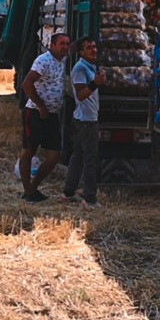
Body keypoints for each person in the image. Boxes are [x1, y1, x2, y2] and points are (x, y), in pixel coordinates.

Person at [19, 33, 71, 202]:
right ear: (52, 45)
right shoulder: (43, 60)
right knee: (28, 152)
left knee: (54, 157)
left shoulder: (63, 59)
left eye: (67, 44)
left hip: (52, 115)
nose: (65, 47)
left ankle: (32, 189)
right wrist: (40, 106)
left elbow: (76, 47)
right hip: (35, 113)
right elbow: (27, 83)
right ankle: (28, 190)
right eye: (61, 44)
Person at [61, 36, 106, 208]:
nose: (93, 50)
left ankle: (69, 192)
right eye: (89, 48)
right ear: (81, 52)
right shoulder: (79, 69)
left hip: (83, 118)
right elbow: (80, 95)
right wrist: (95, 83)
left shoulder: (90, 67)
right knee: (89, 160)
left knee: (77, 157)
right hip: (87, 121)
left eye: (94, 46)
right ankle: (90, 199)